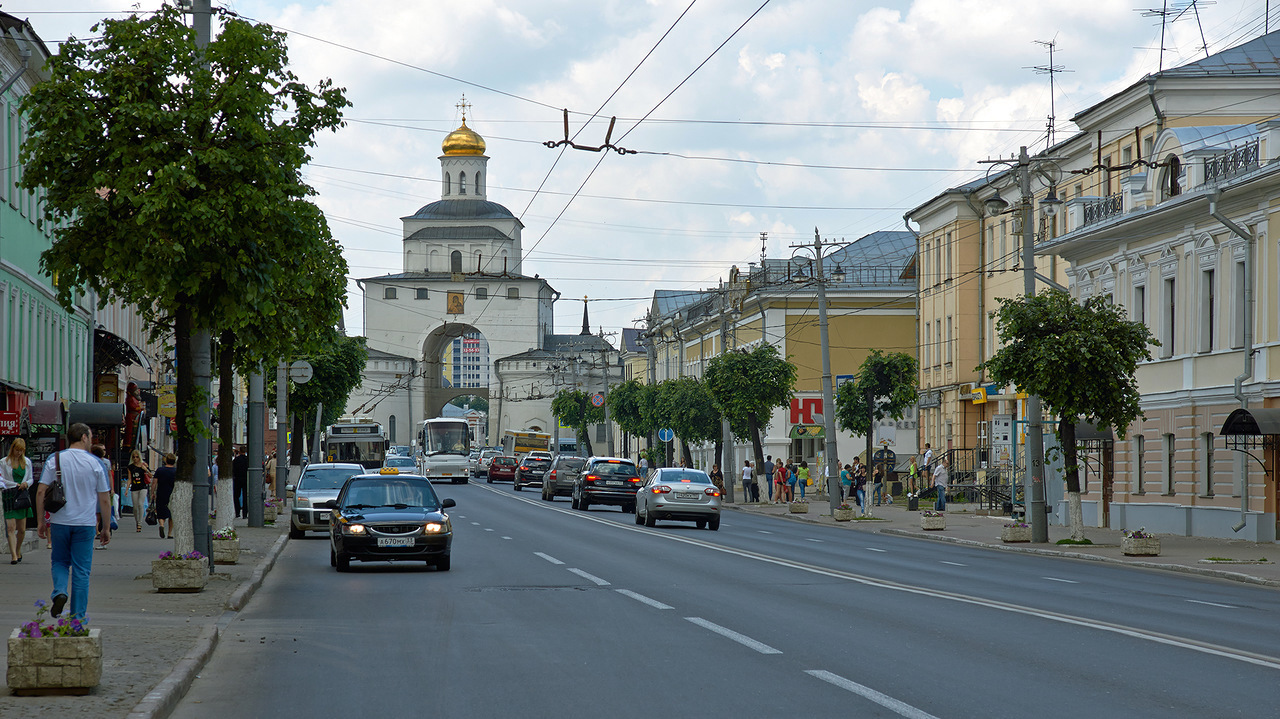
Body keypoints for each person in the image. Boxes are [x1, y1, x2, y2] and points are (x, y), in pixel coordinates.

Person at [36, 423, 111, 619]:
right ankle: (77, 618)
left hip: (60, 521)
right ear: (84, 437)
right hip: (85, 524)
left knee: (60, 561)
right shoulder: (96, 463)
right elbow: (104, 498)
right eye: (91, 436)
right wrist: (106, 527)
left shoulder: (55, 459)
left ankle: (60, 591)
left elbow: (41, 491)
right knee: (81, 570)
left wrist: (41, 521)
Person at [1, 438, 33, 564]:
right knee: (10, 527)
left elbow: (31, 478)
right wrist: (15, 484)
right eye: (17, 450)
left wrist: (26, 484)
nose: (18, 453)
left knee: (22, 529)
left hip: (22, 495)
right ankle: (13, 555)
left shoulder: (27, 462)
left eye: (21, 451)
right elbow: (1, 479)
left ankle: (18, 549)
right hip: (9, 494)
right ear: (12, 448)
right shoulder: (4, 462)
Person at [151, 452, 177, 539]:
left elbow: (154, 482)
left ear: (166, 460)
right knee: (171, 514)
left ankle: (161, 525)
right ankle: (170, 533)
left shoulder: (160, 470)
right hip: (172, 494)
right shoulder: (176, 471)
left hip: (161, 493)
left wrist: (152, 493)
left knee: (161, 511)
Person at [126, 449, 151, 532]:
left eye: (137, 457)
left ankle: (140, 523)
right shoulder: (130, 467)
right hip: (134, 488)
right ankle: (137, 522)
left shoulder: (144, 465)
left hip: (143, 487)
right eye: (134, 457)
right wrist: (127, 489)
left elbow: (150, 475)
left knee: (140, 504)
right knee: (135, 507)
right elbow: (130, 479)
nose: (135, 459)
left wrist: (145, 469)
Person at [232, 445, 249, 518]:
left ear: (240, 451)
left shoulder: (236, 460)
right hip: (246, 479)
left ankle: (237, 512)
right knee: (245, 496)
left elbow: (233, 469)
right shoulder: (248, 459)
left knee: (236, 496)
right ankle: (245, 514)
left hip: (237, 479)